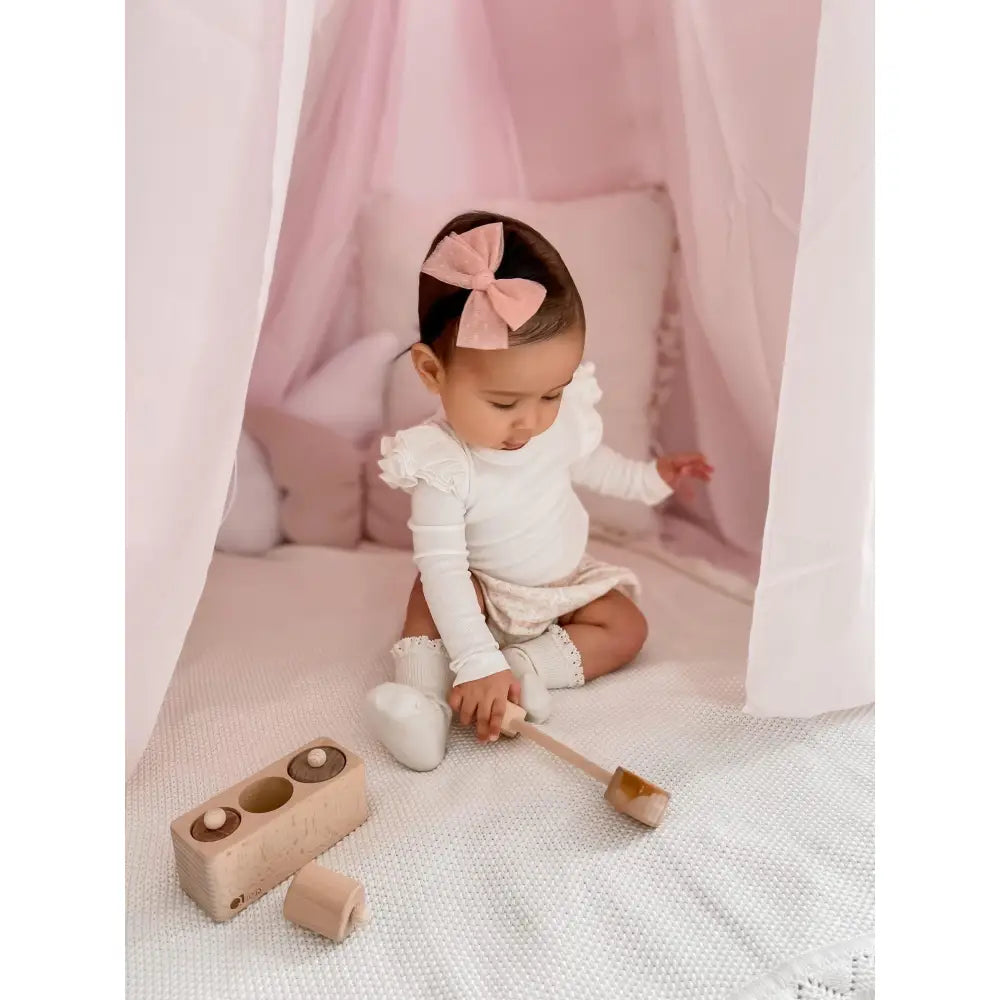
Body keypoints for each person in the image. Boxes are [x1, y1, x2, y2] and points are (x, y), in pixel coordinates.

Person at [365, 212, 712, 771]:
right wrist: (475, 654)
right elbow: (445, 569)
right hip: (483, 590)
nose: (531, 422)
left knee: (627, 626)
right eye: (505, 404)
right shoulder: (441, 462)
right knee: (429, 599)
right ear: (432, 372)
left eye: (552, 394)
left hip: (563, 589)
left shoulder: (557, 422)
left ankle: (528, 669)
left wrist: (651, 480)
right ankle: (422, 704)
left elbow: (591, 462)